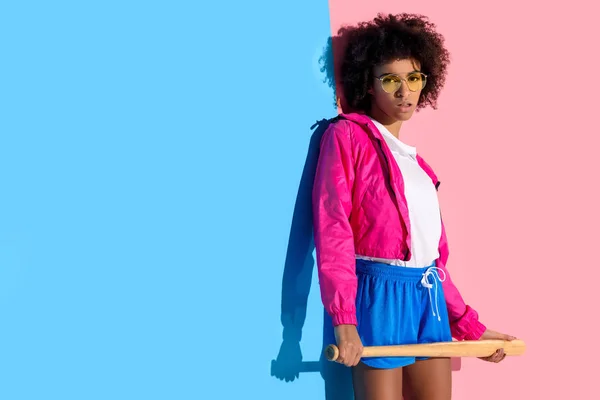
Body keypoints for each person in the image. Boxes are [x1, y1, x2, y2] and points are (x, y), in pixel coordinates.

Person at [312, 13, 515, 399]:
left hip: (428, 298)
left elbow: (434, 263)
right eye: (390, 79)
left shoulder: (420, 168)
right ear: (369, 85)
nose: (405, 91)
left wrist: (470, 327)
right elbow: (333, 227)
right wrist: (345, 319)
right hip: (378, 296)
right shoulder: (346, 136)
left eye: (414, 78)